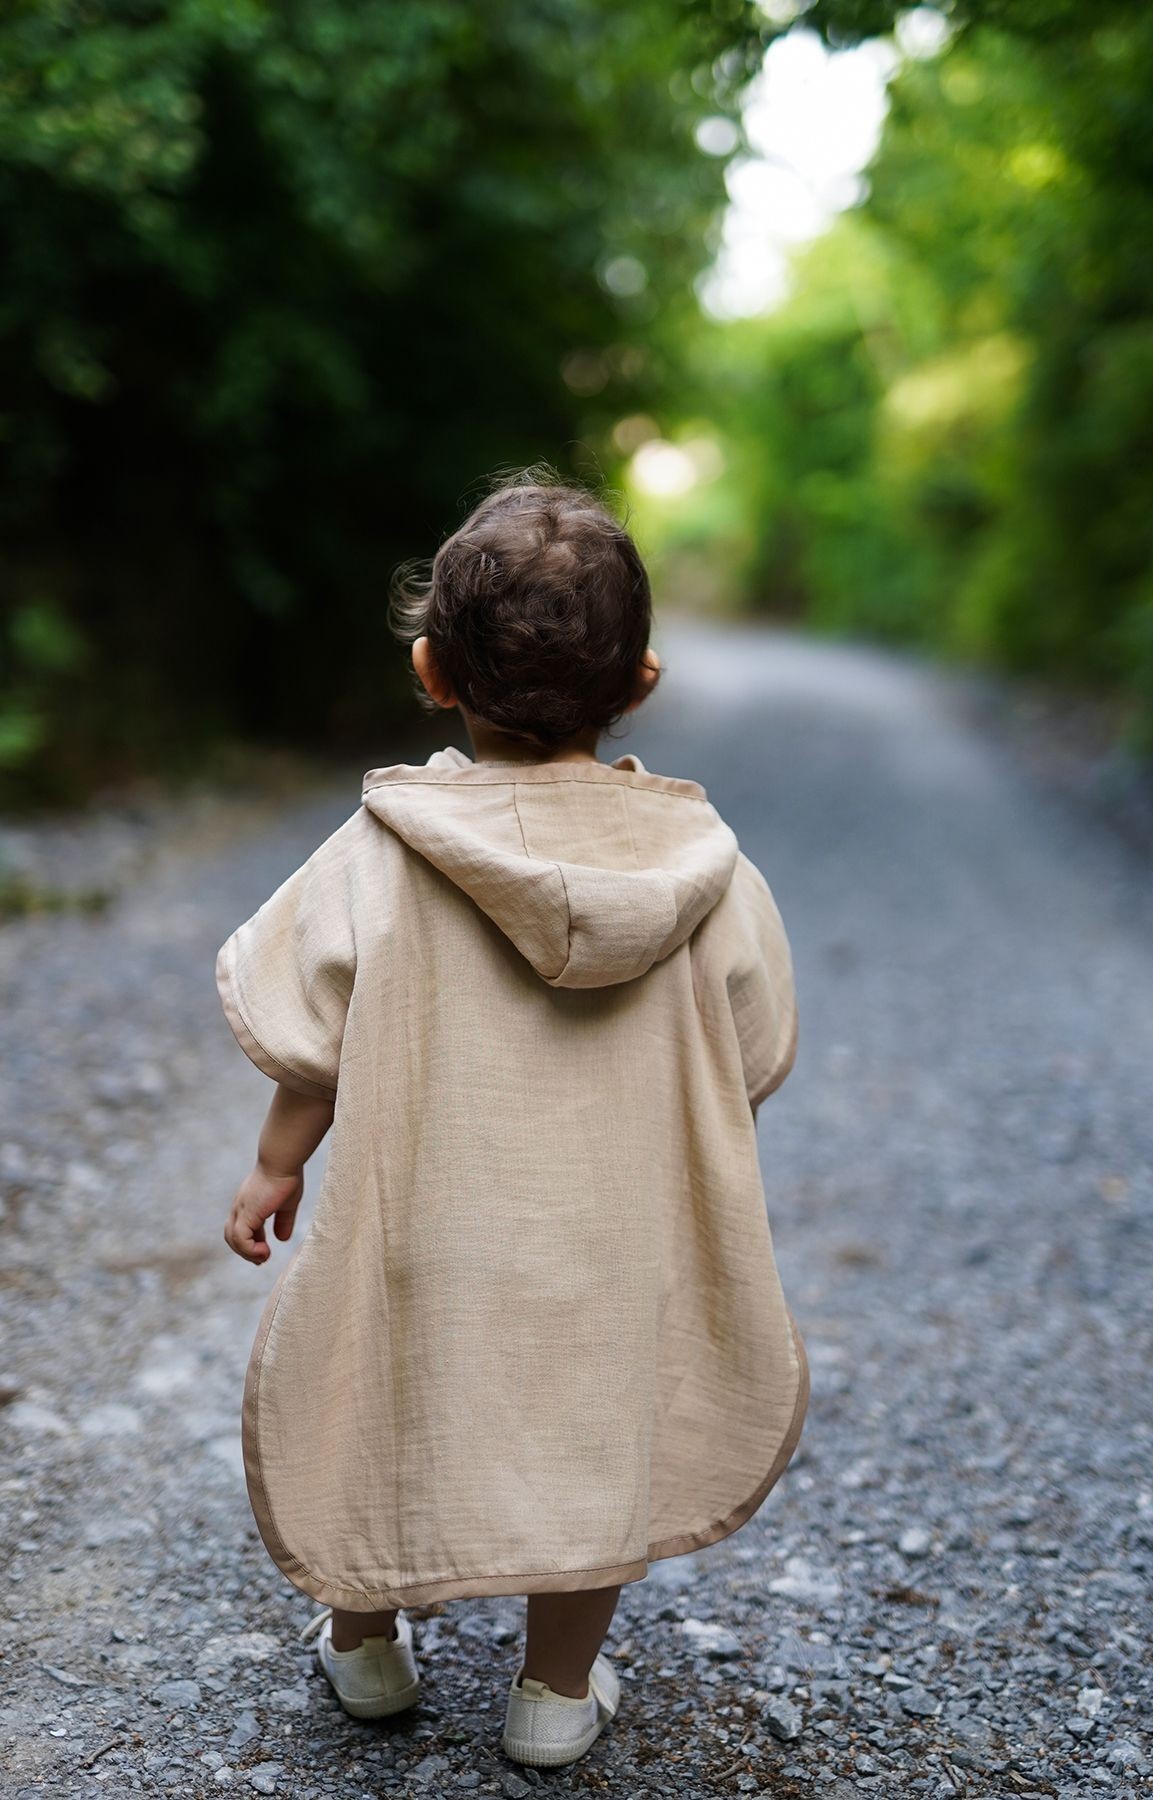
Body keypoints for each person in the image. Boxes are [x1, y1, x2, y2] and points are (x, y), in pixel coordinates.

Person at [215, 471, 809, 1770]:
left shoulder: (381, 852)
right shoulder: (704, 872)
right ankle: (553, 1693)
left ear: (431, 671)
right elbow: (751, 1052)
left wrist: (274, 1165)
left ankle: (366, 1649)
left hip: (427, 1221)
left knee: (383, 1407)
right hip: (616, 1234)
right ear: (643, 679)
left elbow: (310, 1038)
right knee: (597, 1435)